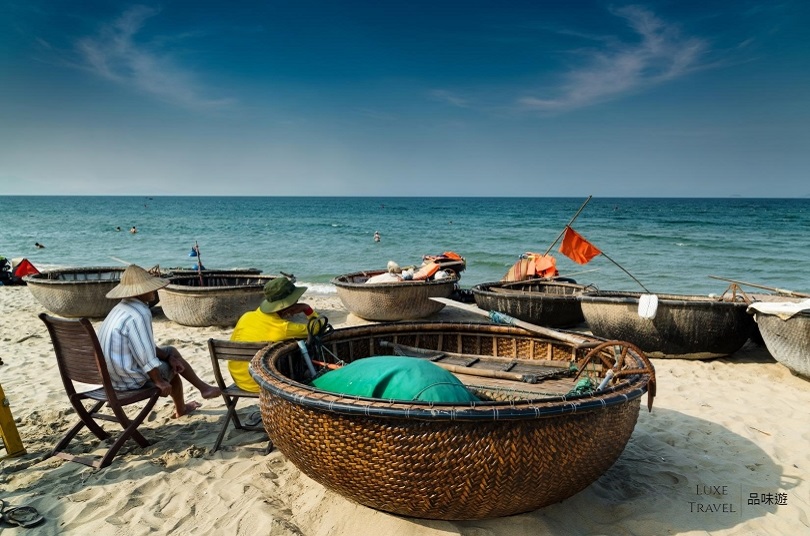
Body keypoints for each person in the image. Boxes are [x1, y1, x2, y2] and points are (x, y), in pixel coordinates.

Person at [98, 264, 220, 418]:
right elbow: (144, 355)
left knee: (171, 353)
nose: (155, 290)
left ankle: (199, 392)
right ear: (140, 292)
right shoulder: (139, 313)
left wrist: (169, 357)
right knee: (170, 367)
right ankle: (193, 398)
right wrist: (159, 381)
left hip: (111, 377)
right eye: (151, 287)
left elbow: (143, 346)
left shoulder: (120, 309)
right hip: (128, 381)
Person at [229, 277, 319, 392]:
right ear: (287, 305)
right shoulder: (283, 328)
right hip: (261, 383)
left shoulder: (246, 316)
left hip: (239, 378)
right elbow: (318, 327)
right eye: (295, 301)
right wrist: (307, 309)